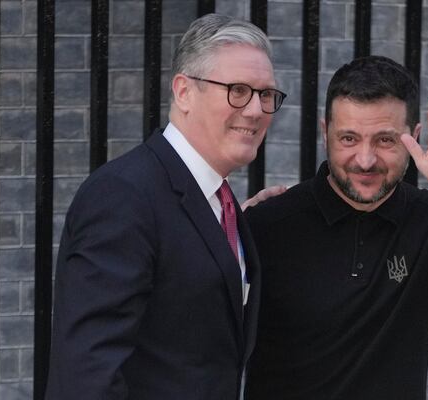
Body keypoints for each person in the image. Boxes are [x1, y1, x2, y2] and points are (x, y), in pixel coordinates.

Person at [243, 56, 428, 399]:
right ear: (324, 133)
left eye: (385, 141)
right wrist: (227, 232)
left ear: (414, 137)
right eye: (348, 138)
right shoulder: (268, 224)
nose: (365, 160)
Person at [46, 13, 286, 400]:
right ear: (184, 92)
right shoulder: (124, 196)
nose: (256, 109)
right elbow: (87, 374)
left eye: (266, 94)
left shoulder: (220, 205)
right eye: (238, 90)